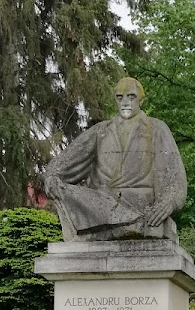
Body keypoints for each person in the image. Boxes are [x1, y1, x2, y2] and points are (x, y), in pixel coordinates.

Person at [42, 76, 187, 242]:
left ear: (141, 100)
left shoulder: (157, 128)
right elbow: (63, 164)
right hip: (101, 205)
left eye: (131, 97)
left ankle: (130, 222)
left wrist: (168, 203)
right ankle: (117, 222)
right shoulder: (100, 131)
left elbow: (174, 177)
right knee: (59, 186)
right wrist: (51, 177)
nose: (125, 102)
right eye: (120, 97)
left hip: (141, 207)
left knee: (145, 218)